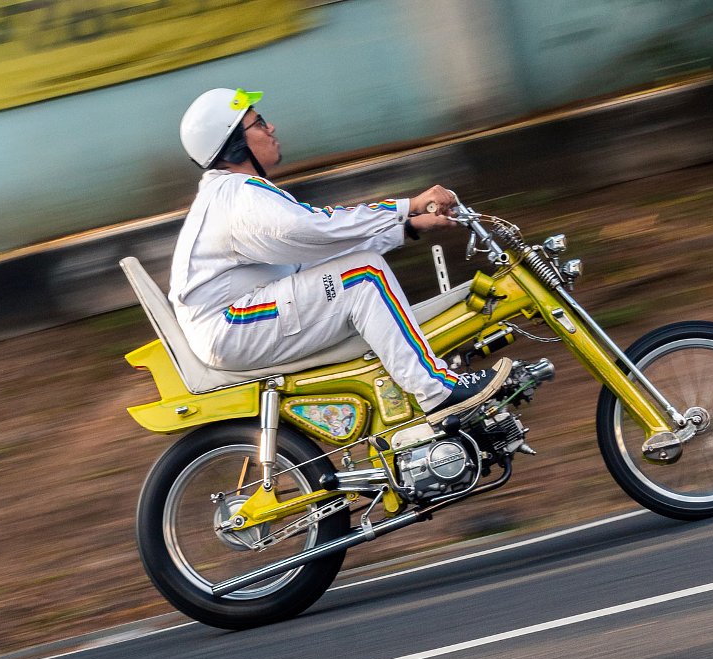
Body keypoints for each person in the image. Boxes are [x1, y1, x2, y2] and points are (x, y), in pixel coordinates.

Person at [170, 88, 510, 424]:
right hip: (231, 327)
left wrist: (407, 226)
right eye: (259, 124)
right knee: (365, 276)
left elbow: (313, 254)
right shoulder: (237, 194)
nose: (271, 128)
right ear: (234, 145)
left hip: (238, 325)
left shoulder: (234, 195)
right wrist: (407, 206)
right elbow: (315, 231)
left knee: (354, 279)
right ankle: (438, 392)